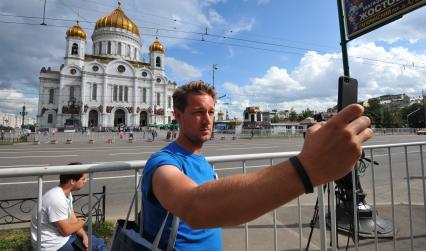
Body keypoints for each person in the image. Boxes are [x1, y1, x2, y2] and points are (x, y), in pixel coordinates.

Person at [141, 80, 373, 250]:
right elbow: (195, 207)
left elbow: (224, 208)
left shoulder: (204, 163)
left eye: (211, 112)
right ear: (178, 116)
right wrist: (308, 169)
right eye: (199, 112)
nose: (208, 119)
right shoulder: (162, 163)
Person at [31, 162, 107, 251]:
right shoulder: (57, 199)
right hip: (52, 246)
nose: (85, 181)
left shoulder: (66, 194)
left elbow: (73, 220)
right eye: (83, 179)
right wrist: (82, 222)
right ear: (72, 181)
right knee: (98, 246)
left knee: (95, 241)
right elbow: (66, 231)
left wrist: (83, 235)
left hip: (59, 239)